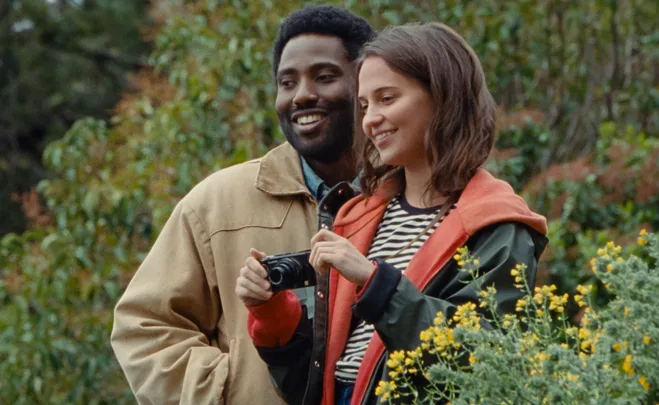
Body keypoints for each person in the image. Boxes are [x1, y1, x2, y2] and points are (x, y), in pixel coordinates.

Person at [237, 22, 549, 405]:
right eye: (365, 105)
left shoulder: (496, 226)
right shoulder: (358, 216)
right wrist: (273, 315)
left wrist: (375, 283)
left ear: (443, 97)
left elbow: (482, 359)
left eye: (387, 98)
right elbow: (314, 385)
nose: (369, 119)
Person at [110, 5, 375, 405]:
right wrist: (230, 389)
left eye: (324, 77)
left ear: (365, 84)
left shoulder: (414, 193)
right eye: (287, 82)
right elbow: (143, 327)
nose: (302, 95)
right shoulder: (216, 204)